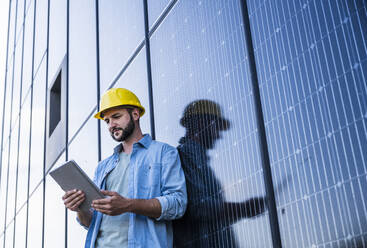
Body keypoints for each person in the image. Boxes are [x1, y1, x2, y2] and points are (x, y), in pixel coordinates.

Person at [62, 88, 187, 248]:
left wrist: (128, 205)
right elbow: (90, 222)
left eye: (116, 117)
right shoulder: (103, 167)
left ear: (135, 114)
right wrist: (80, 208)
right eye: (107, 121)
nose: (111, 125)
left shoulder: (163, 153)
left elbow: (178, 204)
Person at [173, 100, 267, 247]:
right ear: (201, 123)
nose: (219, 135)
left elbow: (212, 217)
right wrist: (243, 208)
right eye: (217, 127)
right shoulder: (185, 156)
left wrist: (240, 211)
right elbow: (198, 208)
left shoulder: (197, 160)